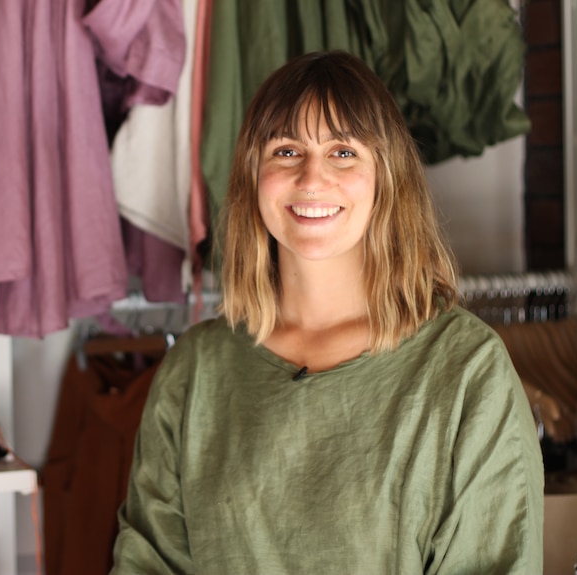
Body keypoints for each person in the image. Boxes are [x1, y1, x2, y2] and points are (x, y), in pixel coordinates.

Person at [110, 50, 543, 574]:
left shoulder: (467, 371)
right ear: (253, 175)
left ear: (386, 177)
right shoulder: (192, 374)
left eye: (342, 152)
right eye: (287, 150)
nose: (312, 177)